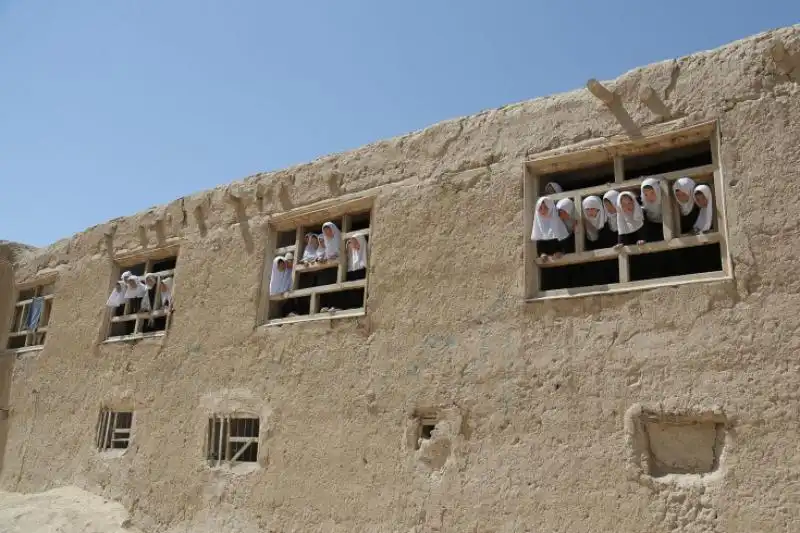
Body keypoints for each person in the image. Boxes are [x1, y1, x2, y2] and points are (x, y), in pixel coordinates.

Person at [531, 197, 570, 261]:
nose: (543, 211)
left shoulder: (558, 223)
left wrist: (561, 251)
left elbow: (565, 243)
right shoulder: (538, 226)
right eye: (540, 208)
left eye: (546, 207)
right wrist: (542, 254)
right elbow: (539, 247)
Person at [640, 178, 664, 242]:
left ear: (657, 191)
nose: (649, 197)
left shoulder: (667, 204)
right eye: (646, 194)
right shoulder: (642, 210)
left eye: (652, 193)